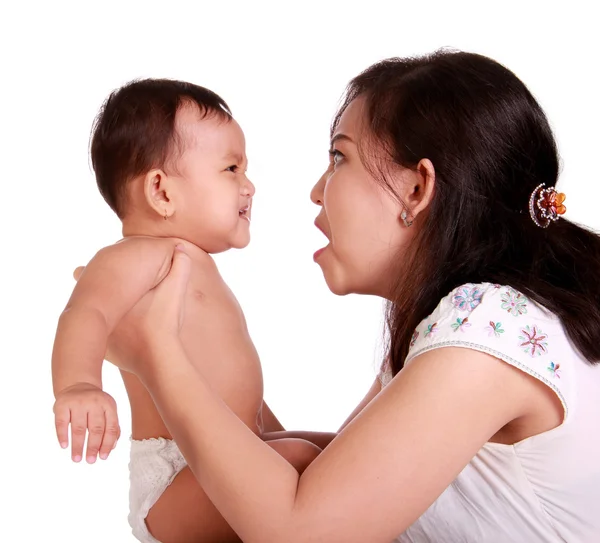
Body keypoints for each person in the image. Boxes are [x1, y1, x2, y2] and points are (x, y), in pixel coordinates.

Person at [104, 50, 600, 542]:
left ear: (416, 188)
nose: (317, 191)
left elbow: (305, 532)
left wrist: (156, 355)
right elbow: (330, 483)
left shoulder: (490, 328)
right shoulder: (469, 320)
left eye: (340, 157)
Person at [51, 79, 332, 543]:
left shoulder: (193, 263)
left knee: (333, 452)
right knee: (302, 457)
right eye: (231, 168)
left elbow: (238, 397)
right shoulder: (137, 256)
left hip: (233, 453)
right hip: (174, 479)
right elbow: (85, 314)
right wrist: (79, 385)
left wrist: (272, 438)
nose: (250, 185)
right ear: (161, 192)